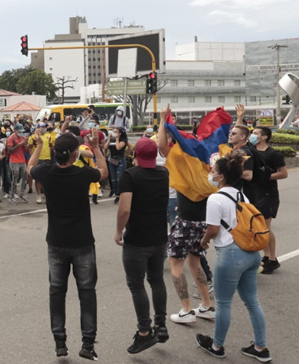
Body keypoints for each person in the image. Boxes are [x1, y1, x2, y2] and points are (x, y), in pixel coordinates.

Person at [28, 131, 108, 360]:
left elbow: (29, 168)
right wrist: (97, 148)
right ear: (74, 155)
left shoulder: (46, 172)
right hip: (82, 241)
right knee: (87, 292)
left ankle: (60, 343)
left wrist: (38, 146)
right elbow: (102, 173)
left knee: (56, 292)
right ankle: (88, 343)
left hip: (56, 242)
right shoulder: (82, 174)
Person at [197, 151, 271, 362]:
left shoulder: (215, 198)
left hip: (230, 255)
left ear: (221, 177)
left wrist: (203, 242)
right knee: (253, 302)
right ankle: (260, 347)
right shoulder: (241, 195)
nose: (210, 174)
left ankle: (217, 346)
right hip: (251, 254)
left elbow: (212, 230)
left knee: (223, 303)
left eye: (213, 171)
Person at [156, 106, 216, 325]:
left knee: (175, 263)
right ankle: (207, 306)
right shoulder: (208, 161)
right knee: (195, 262)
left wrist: (162, 120)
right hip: (202, 220)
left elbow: (161, 146)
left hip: (186, 221)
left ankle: (187, 309)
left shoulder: (183, 160)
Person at [114, 138, 170, 354]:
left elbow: (125, 209)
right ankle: (161, 324)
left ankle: (144, 332)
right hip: (159, 237)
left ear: (134, 155)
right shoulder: (163, 173)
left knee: (136, 284)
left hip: (137, 239)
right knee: (156, 280)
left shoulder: (130, 176)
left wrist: (119, 230)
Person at [248, 127, 288, 273]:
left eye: (256, 133)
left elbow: (283, 174)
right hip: (253, 194)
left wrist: (264, 177)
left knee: (265, 226)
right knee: (257, 227)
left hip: (268, 194)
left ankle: (272, 259)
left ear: (264, 137)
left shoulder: (274, 154)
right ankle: (265, 256)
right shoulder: (251, 151)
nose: (252, 135)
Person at [29, 122, 54, 204]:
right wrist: (32, 157)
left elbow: (50, 146)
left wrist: (50, 156)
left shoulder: (48, 136)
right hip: (38, 159)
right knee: (38, 178)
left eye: (44, 127)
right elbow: (29, 148)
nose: (43, 128)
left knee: (47, 178)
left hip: (47, 158)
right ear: (37, 128)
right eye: (41, 127)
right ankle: (39, 195)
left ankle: (46, 194)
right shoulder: (32, 137)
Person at [104, 127, 130, 203]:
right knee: (113, 179)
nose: (113, 133)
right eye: (113, 131)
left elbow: (118, 147)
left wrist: (127, 154)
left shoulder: (123, 140)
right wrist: (109, 138)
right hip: (112, 160)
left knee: (119, 178)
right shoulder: (111, 139)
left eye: (116, 132)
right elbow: (105, 147)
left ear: (120, 133)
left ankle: (121, 195)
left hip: (120, 159)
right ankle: (116, 195)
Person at [7, 123, 29, 204]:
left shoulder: (23, 137)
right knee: (15, 179)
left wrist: (26, 143)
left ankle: (22, 194)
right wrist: (19, 145)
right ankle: (12, 196)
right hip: (14, 161)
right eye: (19, 131)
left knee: (25, 177)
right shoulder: (11, 138)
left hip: (22, 160)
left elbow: (26, 150)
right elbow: (10, 150)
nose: (21, 133)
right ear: (15, 130)